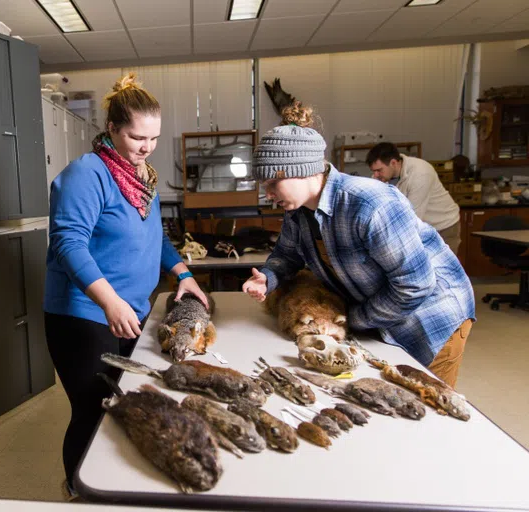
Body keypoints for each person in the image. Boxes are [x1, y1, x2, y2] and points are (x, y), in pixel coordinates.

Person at [43, 73, 208, 498]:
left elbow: (156, 239)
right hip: (83, 313)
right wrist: (110, 301)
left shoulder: (142, 178)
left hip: (127, 311)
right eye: (137, 137)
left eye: (153, 138)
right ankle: (79, 491)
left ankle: (112, 487)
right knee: (94, 408)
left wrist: (183, 275)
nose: (146, 147)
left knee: (124, 402)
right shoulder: (87, 174)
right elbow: (68, 242)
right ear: (112, 128)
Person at [243, 103, 475, 389]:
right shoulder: (298, 212)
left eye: (272, 184)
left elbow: (415, 284)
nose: (267, 195)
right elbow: (287, 255)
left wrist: (354, 319)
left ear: (302, 170)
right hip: (380, 315)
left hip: (430, 318)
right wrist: (269, 277)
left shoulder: (371, 205)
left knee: (428, 404)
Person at [366, 142, 462, 255]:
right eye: (373, 171)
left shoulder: (420, 174)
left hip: (442, 227)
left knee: (441, 270)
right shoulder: (382, 177)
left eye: (379, 170)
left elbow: (412, 219)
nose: (375, 175)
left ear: (393, 163)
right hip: (418, 228)